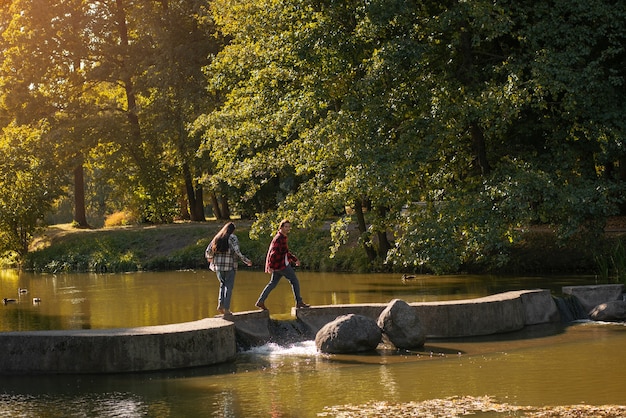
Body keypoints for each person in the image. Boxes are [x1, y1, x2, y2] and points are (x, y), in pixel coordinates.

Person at [255, 219, 310, 311]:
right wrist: (271, 266)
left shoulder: (281, 237)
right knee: (294, 280)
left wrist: (294, 259)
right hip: (281, 265)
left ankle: (260, 301)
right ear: (281, 227)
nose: (288, 229)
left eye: (289, 227)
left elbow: (285, 252)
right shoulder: (279, 238)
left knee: (272, 283)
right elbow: (273, 253)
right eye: (286, 227)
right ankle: (299, 302)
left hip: (278, 265)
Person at [205, 222, 252, 316]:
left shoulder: (217, 237)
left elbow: (208, 251)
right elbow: (237, 251)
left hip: (218, 266)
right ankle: (226, 309)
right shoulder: (233, 238)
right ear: (233, 230)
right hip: (230, 266)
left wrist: (210, 258)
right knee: (229, 287)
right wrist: (246, 261)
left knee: (222, 285)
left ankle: (220, 305)